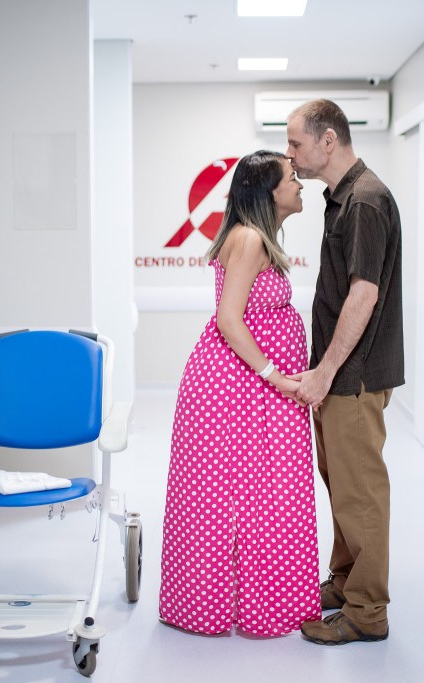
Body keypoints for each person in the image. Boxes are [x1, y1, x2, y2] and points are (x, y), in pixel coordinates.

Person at [158, 150, 321, 637]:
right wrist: (277, 376)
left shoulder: (257, 237)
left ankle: (260, 604)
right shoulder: (249, 239)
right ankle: (219, 606)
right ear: (269, 192)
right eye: (291, 178)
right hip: (239, 390)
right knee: (237, 500)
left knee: (264, 497)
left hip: (253, 391)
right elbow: (230, 319)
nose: (300, 184)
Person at [285, 99, 404, 645]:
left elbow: (363, 295)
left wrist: (325, 371)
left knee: (361, 493)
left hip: (353, 376)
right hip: (339, 376)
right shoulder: (341, 199)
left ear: (328, 140)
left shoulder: (365, 201)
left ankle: (367, 611)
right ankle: (345, 580)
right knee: (341, 484)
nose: (290, 155)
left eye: (296, 143)